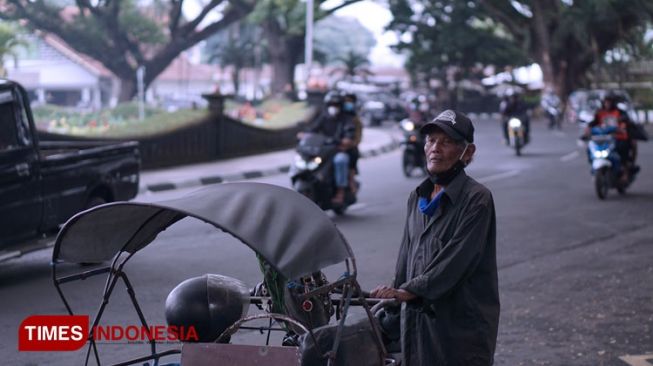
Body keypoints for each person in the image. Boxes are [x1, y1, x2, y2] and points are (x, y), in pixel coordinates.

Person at [371, 110, 499, 366]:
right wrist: (392, 300)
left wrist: (409, 291)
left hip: (460, 329)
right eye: (431, 141)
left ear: (468, 152)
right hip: (418, 325)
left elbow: (456, 261)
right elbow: (405, 261)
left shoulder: (477, 199)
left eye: (447, 142)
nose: (435, 149)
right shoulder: (417, 197)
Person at [301, 91, 356, 206]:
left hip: (339, 150)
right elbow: (313, 129)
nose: (333, 108)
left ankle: (340, 191)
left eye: (336, 105)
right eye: (331, 105)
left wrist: (346, 139)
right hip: (325, 150)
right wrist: (304, 135)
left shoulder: (346, 119)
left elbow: (350, 132)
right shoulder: (324, 117)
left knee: (340, 160)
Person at [585, 93, 638, 183]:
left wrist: (622, 126)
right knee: (590, 148)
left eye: (609, 102)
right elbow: (593, 123)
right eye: (606, 102)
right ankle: (595, 165)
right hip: (604, 138)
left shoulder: (619, 112)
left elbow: (626, 120)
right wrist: (588, 129)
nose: (607, 104)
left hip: (618, 137)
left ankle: (625, 171)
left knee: (622, 148)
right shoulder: (600, 112)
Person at [341, 92, 363, 194]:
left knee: (352, 156)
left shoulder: (355, 119)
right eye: (346, 101)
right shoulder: (338, 116)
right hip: (335, 145)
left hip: (349, 147)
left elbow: (358, 136)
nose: (348, 103)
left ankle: (351, 181)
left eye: (350, 101)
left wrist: (350, 143)